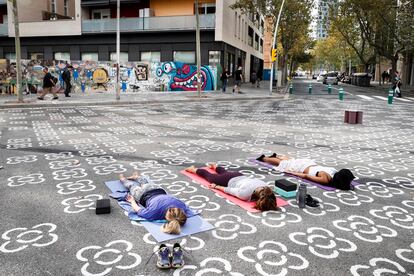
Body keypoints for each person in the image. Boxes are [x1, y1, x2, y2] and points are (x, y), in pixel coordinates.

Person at [119, 172, 195, 235]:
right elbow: (138, 210)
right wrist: (132, 201)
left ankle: (138, 177)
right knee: (132, 186)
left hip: (158, 189)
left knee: (145, 184)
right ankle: (122, 179)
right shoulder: (154, 213)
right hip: (142, 195)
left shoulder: (182, 206)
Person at [185, 163, 278, 211]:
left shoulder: (266, 186)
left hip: (239, 175)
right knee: (209, 177)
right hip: (228, 180)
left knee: (224, 172)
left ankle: (215, 166)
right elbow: (228, 190)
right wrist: (216, 186)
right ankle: (192, 169)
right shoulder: (245, 195)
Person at [256, 153, 355, 190]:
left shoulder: (333, 171)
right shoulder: (325, 179)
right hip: (303, 167)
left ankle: (277, 156)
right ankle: (264, 158)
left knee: (290, 162)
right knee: (283, 164)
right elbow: (306, 176)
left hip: (309, 163)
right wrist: (293, 173)